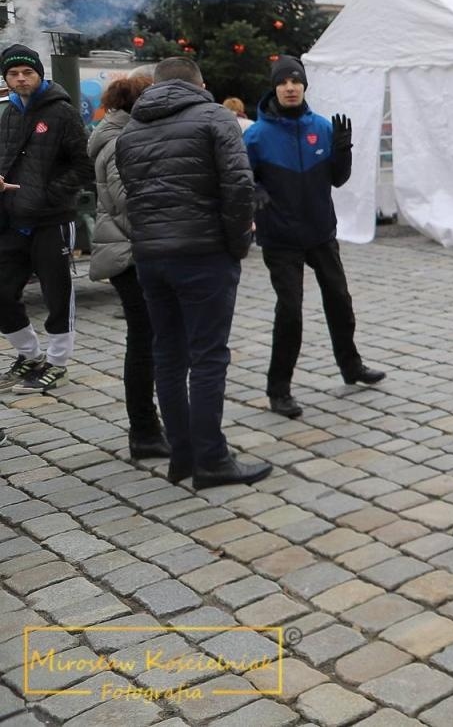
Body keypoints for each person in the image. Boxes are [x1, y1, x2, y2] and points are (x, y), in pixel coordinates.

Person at [116, 55, 266, 488]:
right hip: (203, 253)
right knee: (207, 357)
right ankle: (211, 459)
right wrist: (237, 244)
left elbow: (129, 195)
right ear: (200, 84)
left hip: (151, 257)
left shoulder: (131, 129)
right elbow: (238, 186)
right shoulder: (215, 117)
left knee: (168, 354)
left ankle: (182, 454)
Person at [243, 57, 383, 419]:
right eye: (283, 82)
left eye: (296, 81)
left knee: (340, 299)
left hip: (320, 232)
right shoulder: (256, 135)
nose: (290, 87)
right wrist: (255, 189)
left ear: (305, 86)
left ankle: (351, 365)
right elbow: (240, 175)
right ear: (274, 88)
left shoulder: (321, 127)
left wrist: (343, 152)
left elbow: (338, 178)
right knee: (290, 311)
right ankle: (279, 389)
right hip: (280, 237)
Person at [0, 43, 93, 395]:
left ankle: (56, 363)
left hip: (52, 216)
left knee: (57, 293)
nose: (21, 79)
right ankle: (29, 354)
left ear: (39, 74)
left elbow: (83, 166)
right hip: (13, 217)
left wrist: (48, 193)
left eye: (28, 72)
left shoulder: (62, 112)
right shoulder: (9, 112)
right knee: (2, 291)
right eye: (13, 74)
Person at [88, 74, 166, 459]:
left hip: (129, 249)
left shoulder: (121, 133)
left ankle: (148, 427)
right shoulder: (120, 141)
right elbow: (128, 201)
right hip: (128, 253)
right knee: (143, 340)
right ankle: (144, 430)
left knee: (147, 338)